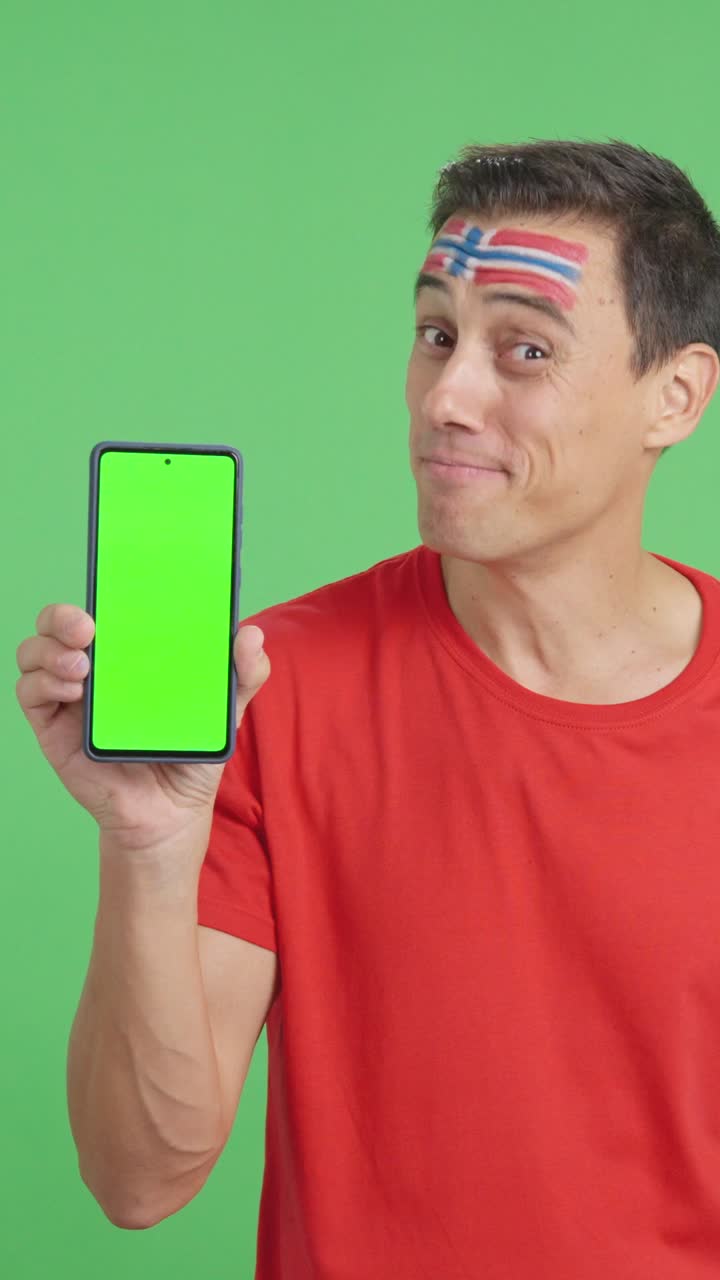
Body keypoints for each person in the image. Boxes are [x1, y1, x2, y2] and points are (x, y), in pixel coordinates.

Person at [15, 138, 720, 1278]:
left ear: (675, 395)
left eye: (524, 350)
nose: (447, 397)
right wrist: (147, 848)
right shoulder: (270, 690)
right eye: (436, 334)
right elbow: (140, 1177)